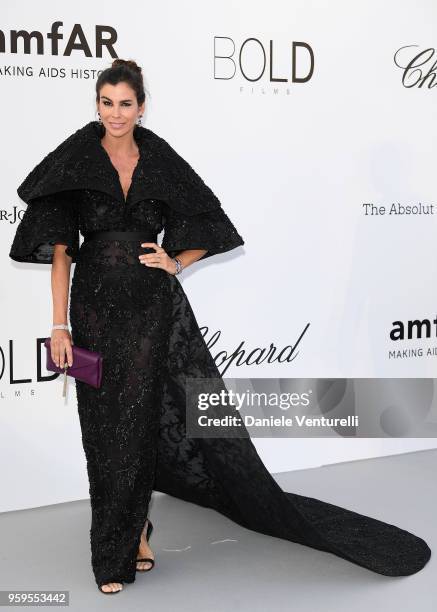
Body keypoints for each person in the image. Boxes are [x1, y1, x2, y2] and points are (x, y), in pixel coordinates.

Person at [9, 59, 431, 594]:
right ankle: (114, 540)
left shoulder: (158, 158)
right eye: (107, 102)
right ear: (96, 104)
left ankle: (134, 530)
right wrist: (57, 325)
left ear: (141, 107)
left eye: (126, 103)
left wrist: (177, 262)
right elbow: (62, 254)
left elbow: (213, 222)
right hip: (93, 309)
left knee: (140, 424)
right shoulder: (75, 159)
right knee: (105, 430)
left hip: (151, 309)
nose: (115, 113)